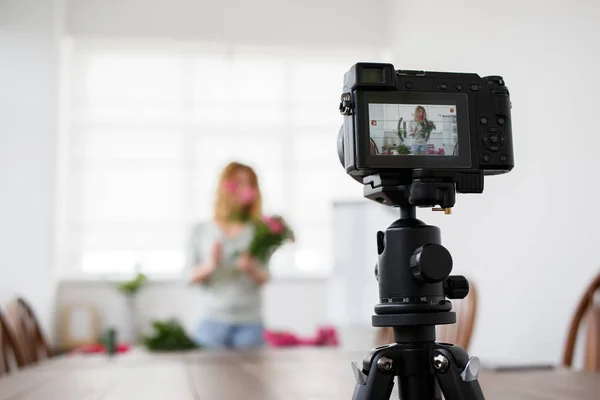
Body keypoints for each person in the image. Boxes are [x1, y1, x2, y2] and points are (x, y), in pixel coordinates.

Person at [186, 161, 270, 349]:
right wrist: (210, 265)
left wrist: (251, 268)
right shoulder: (201, 230)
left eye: (250, 184)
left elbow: (266, 276)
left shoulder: (260, 231)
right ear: (225, 186)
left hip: (250, 323)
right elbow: (188, 276)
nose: (246, 189)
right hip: (211, 321)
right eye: (239, 183)